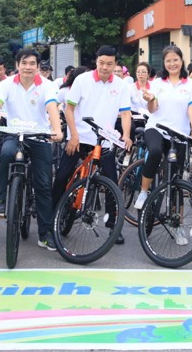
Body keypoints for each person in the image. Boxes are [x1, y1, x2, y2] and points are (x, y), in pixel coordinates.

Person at [0, 48, 63, 250]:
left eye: (32, 63)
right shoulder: (7, 84)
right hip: (13, 133)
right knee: (6, 153)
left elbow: (52, 107)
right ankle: (2, 197)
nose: (28, 67)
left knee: (43, 185)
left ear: (37, 66)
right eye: (24, 63)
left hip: (40, 136)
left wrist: (57, 130)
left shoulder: (47, 85)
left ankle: (45, 233)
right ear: (17, 65)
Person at [53, 46, 132, 243]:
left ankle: (114, 225)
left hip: (105, 140)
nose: (105, 67)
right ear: (96, 61)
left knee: (112, 182)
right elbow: (68, 109)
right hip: (79, 138)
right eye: (102, 63)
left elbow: (125, 113)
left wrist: (127, 135)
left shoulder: (121, 86)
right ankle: (51, 218)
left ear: (116, 64)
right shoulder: (82, 80)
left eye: (110, 64)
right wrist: (73, 135)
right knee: (62, 175)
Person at [132, 46, 192, 247]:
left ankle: (177, 225)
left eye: (175, 60)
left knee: (176, 182)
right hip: (156, 128)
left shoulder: (191, 84)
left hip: (178, 135)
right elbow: (152, 109)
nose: (172, 63)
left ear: (181, 60)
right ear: (164, 63)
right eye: (168, 60)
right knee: (153, 152)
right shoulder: (157, 84)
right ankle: (144, 192)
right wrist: (151, 99)